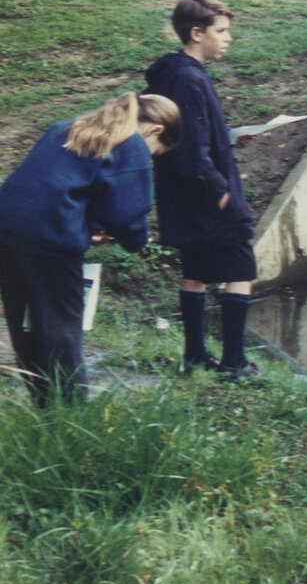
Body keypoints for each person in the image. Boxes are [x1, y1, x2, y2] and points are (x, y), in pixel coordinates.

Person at [0, 92, 180, 403]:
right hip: (49, 239)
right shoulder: (132, 143)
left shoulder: (70, 126)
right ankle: (69, 414)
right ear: (155, 131)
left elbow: (57, 183)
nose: (150, 157)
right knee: (62, 323)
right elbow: (126, 212)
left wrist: (89, 227)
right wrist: (136, 240)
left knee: (26, 321)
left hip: (8, 227)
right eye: (156, 153)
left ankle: (42, 398)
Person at [146, 0, 258, 380]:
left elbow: (190, 133)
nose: (227, 39)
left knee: (194, 270)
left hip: (185, 193)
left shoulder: (175, 75)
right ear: (197, 33)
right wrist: (219, 191)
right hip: (205, 193)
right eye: (221, 31)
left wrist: (228, 137)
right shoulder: (188, 78)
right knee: (241, 268)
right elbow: (190, 149)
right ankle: (234, 363)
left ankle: (195, 356)